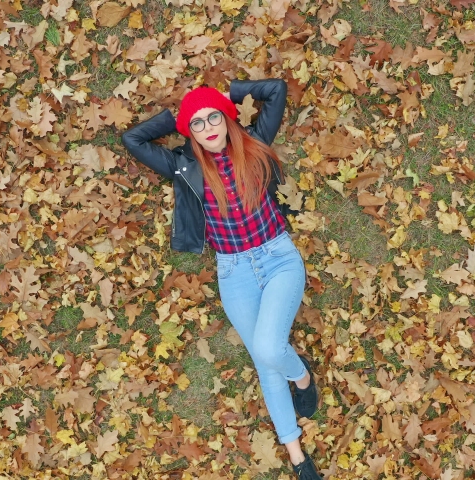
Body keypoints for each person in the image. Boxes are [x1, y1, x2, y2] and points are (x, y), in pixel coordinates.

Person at [121, 79, 323, 479]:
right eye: (196, 124)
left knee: (268, 347)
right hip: (234, 272)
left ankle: (301, 376)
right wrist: (177, 118)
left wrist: (228, 95)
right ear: (188, 132)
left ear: (227, 118)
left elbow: (277, 91)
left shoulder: (253, 141)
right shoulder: (184, 165)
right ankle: (298, 456)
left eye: (213, 116)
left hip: (278, 258)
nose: (208, 127)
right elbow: (133, 139)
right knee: (264, 361)